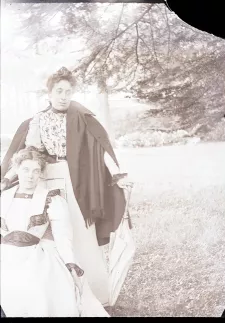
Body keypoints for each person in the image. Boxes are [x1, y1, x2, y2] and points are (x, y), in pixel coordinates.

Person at [1, 67, 131, 306]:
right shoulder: (38, 120)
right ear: (49, 93)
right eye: (59, 91)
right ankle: (56, 292)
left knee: (80, 231)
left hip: (76, 181)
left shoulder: (81, 117)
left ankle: (93, 293)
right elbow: (29, 153)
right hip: (47, 177)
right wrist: (8, 178)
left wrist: (117, 175)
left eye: (68, 91)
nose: (63, 96)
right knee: (52, 236)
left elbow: (99, 149)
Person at [0, 148, 110, 317]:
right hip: (6, 256)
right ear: (17, 170)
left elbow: (62, 236)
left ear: (40, 174)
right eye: (26, 170)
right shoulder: (4, 197)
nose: (30, 175)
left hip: (36, 255)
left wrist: (70, 264)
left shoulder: (50, 198)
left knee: (38, 285)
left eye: (36, 171)